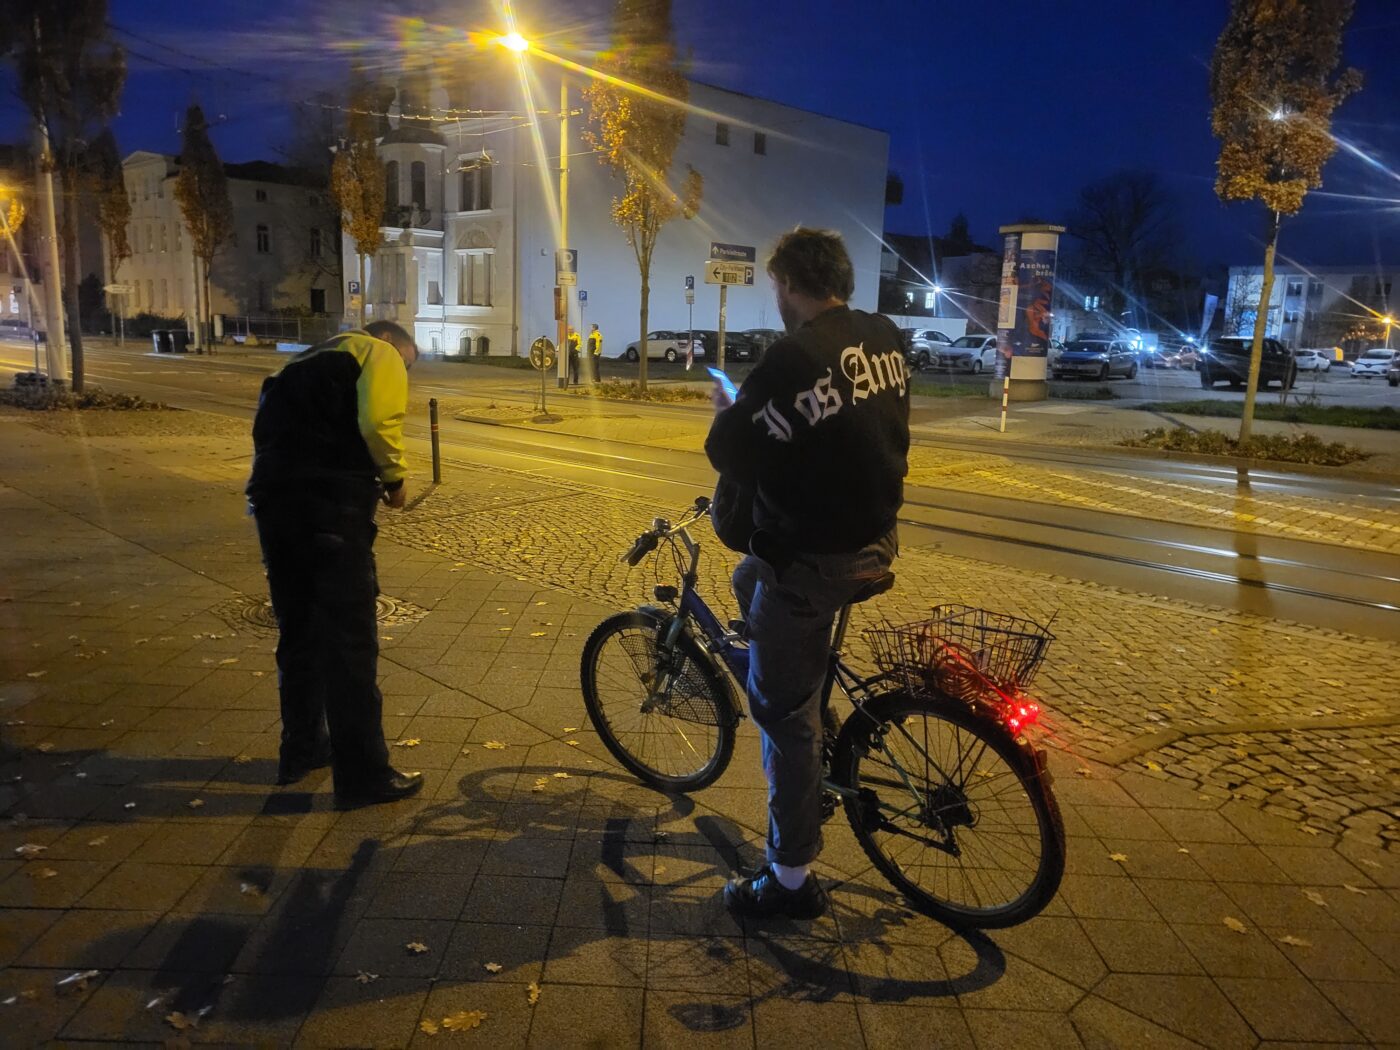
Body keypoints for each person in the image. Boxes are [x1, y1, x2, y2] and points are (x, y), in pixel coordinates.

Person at [704, 227, 910, 919]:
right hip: (877, 538)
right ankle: (810, 703)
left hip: (819, 560)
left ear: (789, 284)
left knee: (781, 716)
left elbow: (726, 451)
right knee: (747, 580)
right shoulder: (883, 335)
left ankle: (790, 880)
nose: (777, 298)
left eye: (776, 286)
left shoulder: (792, 356)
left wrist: (733, 411)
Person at [246, 320, 425, 807]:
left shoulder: (300, 361)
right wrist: (394, 480)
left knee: (298, 633)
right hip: (330, 507)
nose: (404, 372)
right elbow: (377, 421)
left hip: (273, 505)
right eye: (407, 364)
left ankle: (302, 749)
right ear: (389, 341)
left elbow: (264, 435)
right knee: (350, 643)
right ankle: (363, 775)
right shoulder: (377, 353)